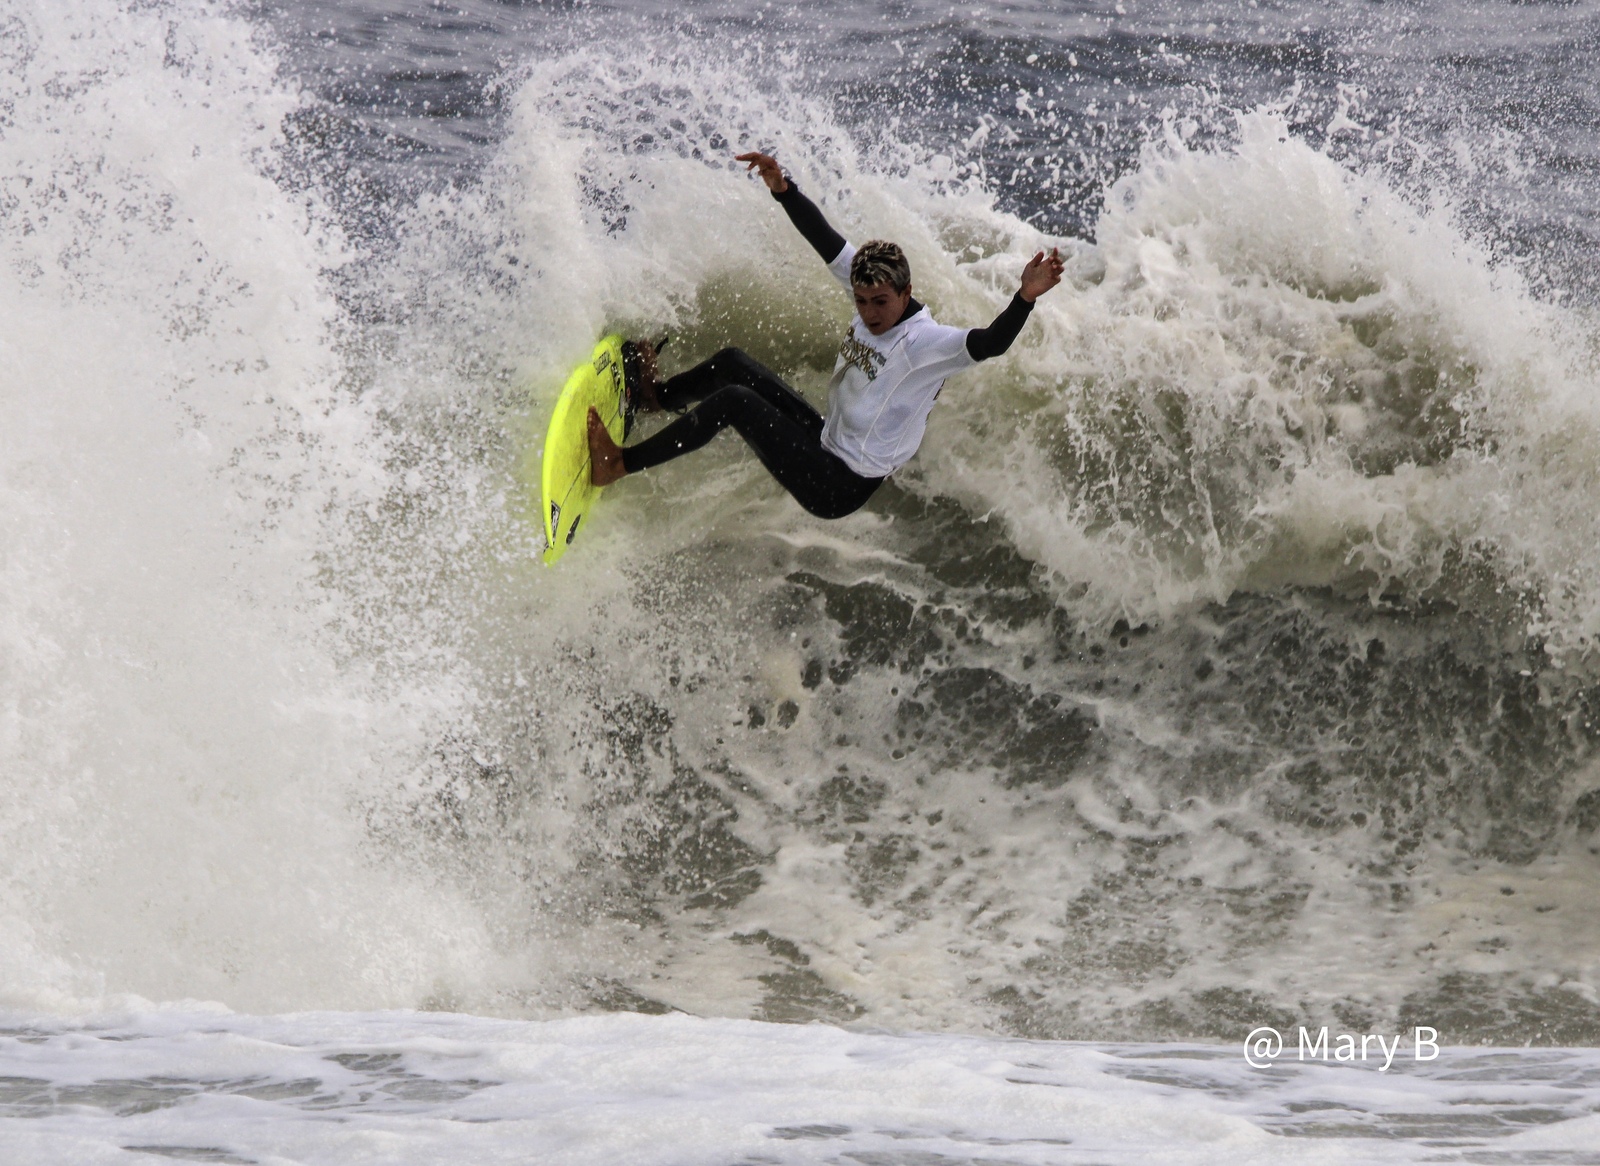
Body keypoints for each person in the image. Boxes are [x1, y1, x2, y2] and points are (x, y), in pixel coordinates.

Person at [586, 150, 1064, 518]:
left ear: (906, 292)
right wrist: (782, 188)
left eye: (881, 303)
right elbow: (824, 238)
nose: (870, 313)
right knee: (732, 362)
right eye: (861, 301)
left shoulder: (925, 344)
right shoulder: (865, 283)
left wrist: (1025, 297)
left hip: (839, 485)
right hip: (825, 440)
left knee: (734, 400)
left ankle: (617, 465)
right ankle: (654, 398)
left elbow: (989, 343)